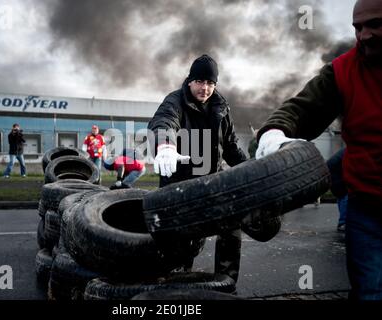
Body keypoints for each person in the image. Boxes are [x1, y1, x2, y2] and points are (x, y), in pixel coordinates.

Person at [255, 0, 382, 300]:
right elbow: (301, 109)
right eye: (357, 27)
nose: (364, 35)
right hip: (367, 210)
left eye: (374, 24)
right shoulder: (343, 70)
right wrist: (273, 135)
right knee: (371, 293)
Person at [148, 54, 247, 284]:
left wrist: (253, 170)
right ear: (190, 80)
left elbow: (231, 147)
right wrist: (165, 146)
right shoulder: (174, 101)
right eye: (200, 81)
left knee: (232, 224)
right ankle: (177, 286)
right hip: (180, 188)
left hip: (212, 183)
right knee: (182, 248)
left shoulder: (221, 108)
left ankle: (226, 283)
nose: (205, 88)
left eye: (210, 83)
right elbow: (164, 121)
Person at [327, 148, 348, 232]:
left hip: (332, 174)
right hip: (335, 175)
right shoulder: (350, 151)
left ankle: (343, 222)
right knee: (345, 196)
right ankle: (343, 222)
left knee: (342, 196)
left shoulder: (347, 150)